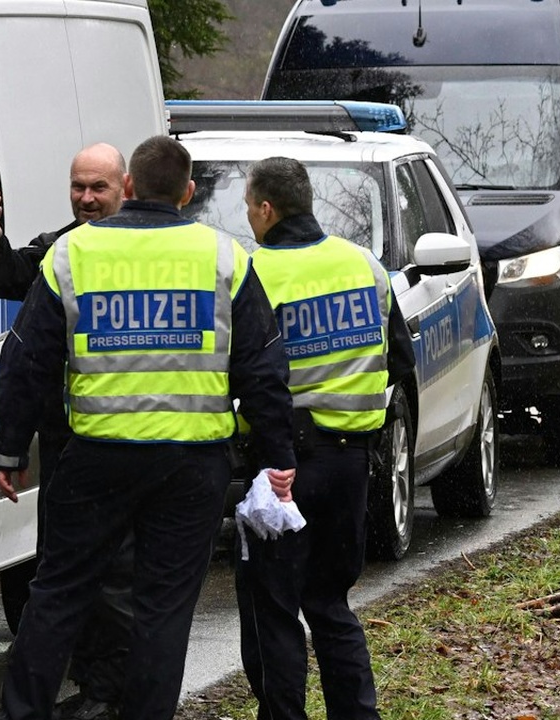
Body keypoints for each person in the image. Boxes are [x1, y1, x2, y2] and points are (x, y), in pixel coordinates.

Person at [0, 135, 297, 720]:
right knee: (163, 609)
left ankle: (21, 712)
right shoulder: (225, 257)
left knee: (57, 593)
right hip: (192, 465)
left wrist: (10, 449)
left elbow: (26, 358)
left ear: (127, 187)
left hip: (96, 457)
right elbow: (263, 366)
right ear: (187, 193)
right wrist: (277, 455)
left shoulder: (73, 254)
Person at [235, 156, 416, 720]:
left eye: (249, 208)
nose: (248, 219)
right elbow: (399, 362)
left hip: (283, 468)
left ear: (266, 209)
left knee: (274, 611)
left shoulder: (253, 272)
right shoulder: (363, 264)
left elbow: (242, 375)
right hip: (350, 465)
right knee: (331, 604)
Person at [0, 143, 133, 720]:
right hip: (71, 438)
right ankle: (96, 689)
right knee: (68, 571)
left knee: (112, 578)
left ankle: (107, 693)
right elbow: (17, 283)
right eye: (79, 188)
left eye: (99, 189)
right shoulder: (63, 248)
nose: (87, 199)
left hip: (147, 441)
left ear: (127, 188)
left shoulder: (157, 247)